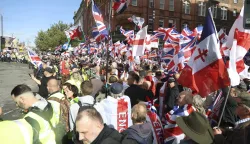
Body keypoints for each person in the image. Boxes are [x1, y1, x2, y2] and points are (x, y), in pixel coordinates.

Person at [47, 78, 70, 143]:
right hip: (67, 127)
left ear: (48, 87)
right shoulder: (63, 96)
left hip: (58, 130)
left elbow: (53, 119)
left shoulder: (50, 101)